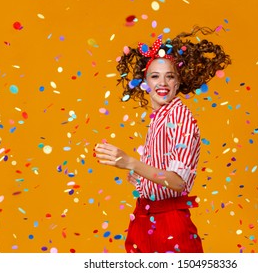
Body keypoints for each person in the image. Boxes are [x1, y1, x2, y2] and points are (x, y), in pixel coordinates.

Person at [94, 26, 231, 253]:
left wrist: (131, 162)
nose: (163, 83)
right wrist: (140, 179)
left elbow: (178, 182)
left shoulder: (180, 115)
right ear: (144, 83)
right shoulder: (159, 117)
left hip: (169, 222)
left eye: (170, 77)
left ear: (178, 83)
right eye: (155, 76)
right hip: (145, 217)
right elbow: (161, 175)